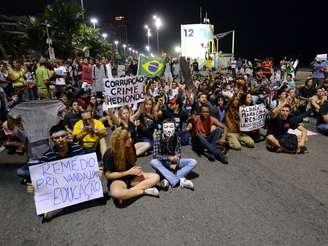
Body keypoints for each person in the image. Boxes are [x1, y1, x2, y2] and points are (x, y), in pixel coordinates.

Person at [103, 127, 160, 204]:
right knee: (117, 193)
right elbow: (108, 176)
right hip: (118, 180)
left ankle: (128, 193)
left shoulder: (130, 146)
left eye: (130, 137)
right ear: (121, 141)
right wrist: (128, 172)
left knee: (156, 177)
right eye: (128, 138)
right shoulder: (109, 153)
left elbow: (132, 164)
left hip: (132, 178)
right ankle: (143, 191)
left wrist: (136, 170)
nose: (131, 140)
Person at [41, 125, 85, 220]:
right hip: (59, 187)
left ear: (67, 136)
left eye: (63, 136)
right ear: (52, 140)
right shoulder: (47, 157)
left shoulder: (78, 148)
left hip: (76, 183)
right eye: (56, 138)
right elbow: (42, 179)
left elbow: (86, 169)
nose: (60, 139)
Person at [151, 119, 197, 189]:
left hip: (174, 162)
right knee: (153, 162)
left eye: (171, 127)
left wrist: (176, 158)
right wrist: (169, 162)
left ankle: (168, 179)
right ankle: (178, 181)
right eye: (166, 127)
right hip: (163, 162)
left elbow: (178, 152)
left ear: (174, 127)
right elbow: (155, 155)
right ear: (162, 128)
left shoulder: (177, 137)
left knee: (193, 162)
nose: (169, 129)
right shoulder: (158, 138)